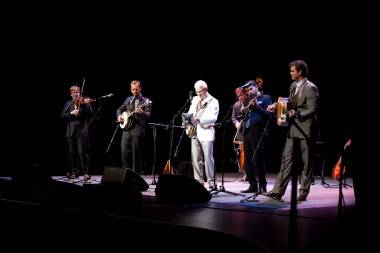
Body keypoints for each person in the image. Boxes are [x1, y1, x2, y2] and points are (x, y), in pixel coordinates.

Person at [266, 60, 319, 201]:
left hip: (306, 130)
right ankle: (277, 191)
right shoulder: (293, 85)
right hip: (293, 128)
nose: (290, 73)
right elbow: (290, 101)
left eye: (292, 71)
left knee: (306, 162)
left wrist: (297, 114)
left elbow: (312, 109)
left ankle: (303, 191)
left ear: (300, 72)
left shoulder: (310, 87)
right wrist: (276, 105)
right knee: (286, 159)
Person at [239, 81, 273, 193]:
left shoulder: (266, 98)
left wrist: (257, 107)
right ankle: (252, 185)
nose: (248, 92)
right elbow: (244, 116)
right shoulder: (246, 99)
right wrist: (243, 111)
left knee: (258, 160)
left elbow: (268, 115)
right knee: (247, 160)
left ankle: (262, 186)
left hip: (258, 132)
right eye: (247, 90)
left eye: (250, 89)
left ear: (256, 87)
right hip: (247, 132)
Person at [187, 80, 219, 190]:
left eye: (200, 91)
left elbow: (213, 118)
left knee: (208, 158)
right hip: (195, 131)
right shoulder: (195, 99)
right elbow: (191, 111)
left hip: (206, 132)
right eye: (197, 92)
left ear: (206, 89)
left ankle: (210, 181)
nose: (198, 94)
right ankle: (198, 181)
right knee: (195, 158)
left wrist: (199, 119)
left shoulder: (213, 101)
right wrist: (187, 120)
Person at [117, 80, 151, 174]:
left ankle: (135, 175)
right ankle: (125, 173)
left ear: (140, 88)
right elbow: (119, 109)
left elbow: (148, 115)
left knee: (136, 154)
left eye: (136, 89)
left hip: (137, 130)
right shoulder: (128, 99)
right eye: (133, 89)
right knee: (124, 152)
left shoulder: (145, 101)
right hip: (126, 130)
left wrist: (142, 112)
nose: (134, 91)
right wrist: (119, 116)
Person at [61, 85, 93, 181]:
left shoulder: (83, 103)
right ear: (71, 94)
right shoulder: (68, 103)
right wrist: (71, 113)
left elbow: (90, 114)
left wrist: (87, 104)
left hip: (81, 131)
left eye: (78, 92)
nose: (76, 93)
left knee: (82, 153)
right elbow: (62, 115)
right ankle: (74, 172)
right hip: (70, 131)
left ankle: (86, 173)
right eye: (74, 92)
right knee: (72, 153)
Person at [231, 87, 247, 181]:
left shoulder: (249, 103)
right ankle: (245, 173)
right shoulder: (236, 105)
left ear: (245, 94)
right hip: (241, 132)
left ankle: (250, 174)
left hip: (249, 132)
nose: (240, 97)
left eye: (241, 95)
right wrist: (237, 123)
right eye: (238, 96)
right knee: (242, 154)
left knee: (248, 154)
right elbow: (233, 118)